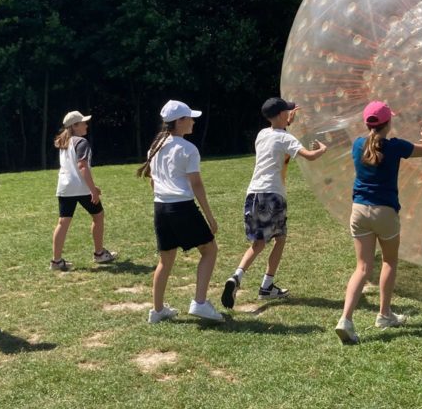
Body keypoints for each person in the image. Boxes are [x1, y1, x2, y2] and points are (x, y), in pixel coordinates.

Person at [335, 101, 422, 345]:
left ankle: (345, 319)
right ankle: (384, 315)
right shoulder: (396, 146)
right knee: (389, 261)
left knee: (362, 268)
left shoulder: (358, 144)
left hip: (359, 211)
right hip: (385, 212)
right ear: (388, 123)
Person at [221, 97, 327, 309]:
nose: (290, 113)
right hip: (273, 195)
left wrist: (287, 121)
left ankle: (241, 277)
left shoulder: (262, 134)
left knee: (261, 242)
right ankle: (263, 284)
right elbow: (309, 155)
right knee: (279, 239)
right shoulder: (286, 138)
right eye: (287, 111)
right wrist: (322, 149)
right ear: (281, 114)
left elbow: (278, 136)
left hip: (253, 194)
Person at [137, 100, 224, 324]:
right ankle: (200, 303)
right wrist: (210, 217)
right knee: (209, 250)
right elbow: (197, 184)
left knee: (165, 260)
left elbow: (153, 181)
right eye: (190, 118)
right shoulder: (188, 149)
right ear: (180, 121)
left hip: (161, 208)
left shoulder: (155, 146)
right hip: (182, 207)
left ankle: (157, 311)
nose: (193, 121)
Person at [51, 110, 115, 271]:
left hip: (65, 187)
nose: (86, 125)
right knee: (98, 216)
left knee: (62, 223)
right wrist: (92, 190)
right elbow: (82, 166)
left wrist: (92, 187)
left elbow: (73, 168)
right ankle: (99, 254)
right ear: (75, 126)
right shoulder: (81, 142)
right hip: (81, 188)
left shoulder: (64, 142)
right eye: (83, 123)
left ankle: (56, 262)